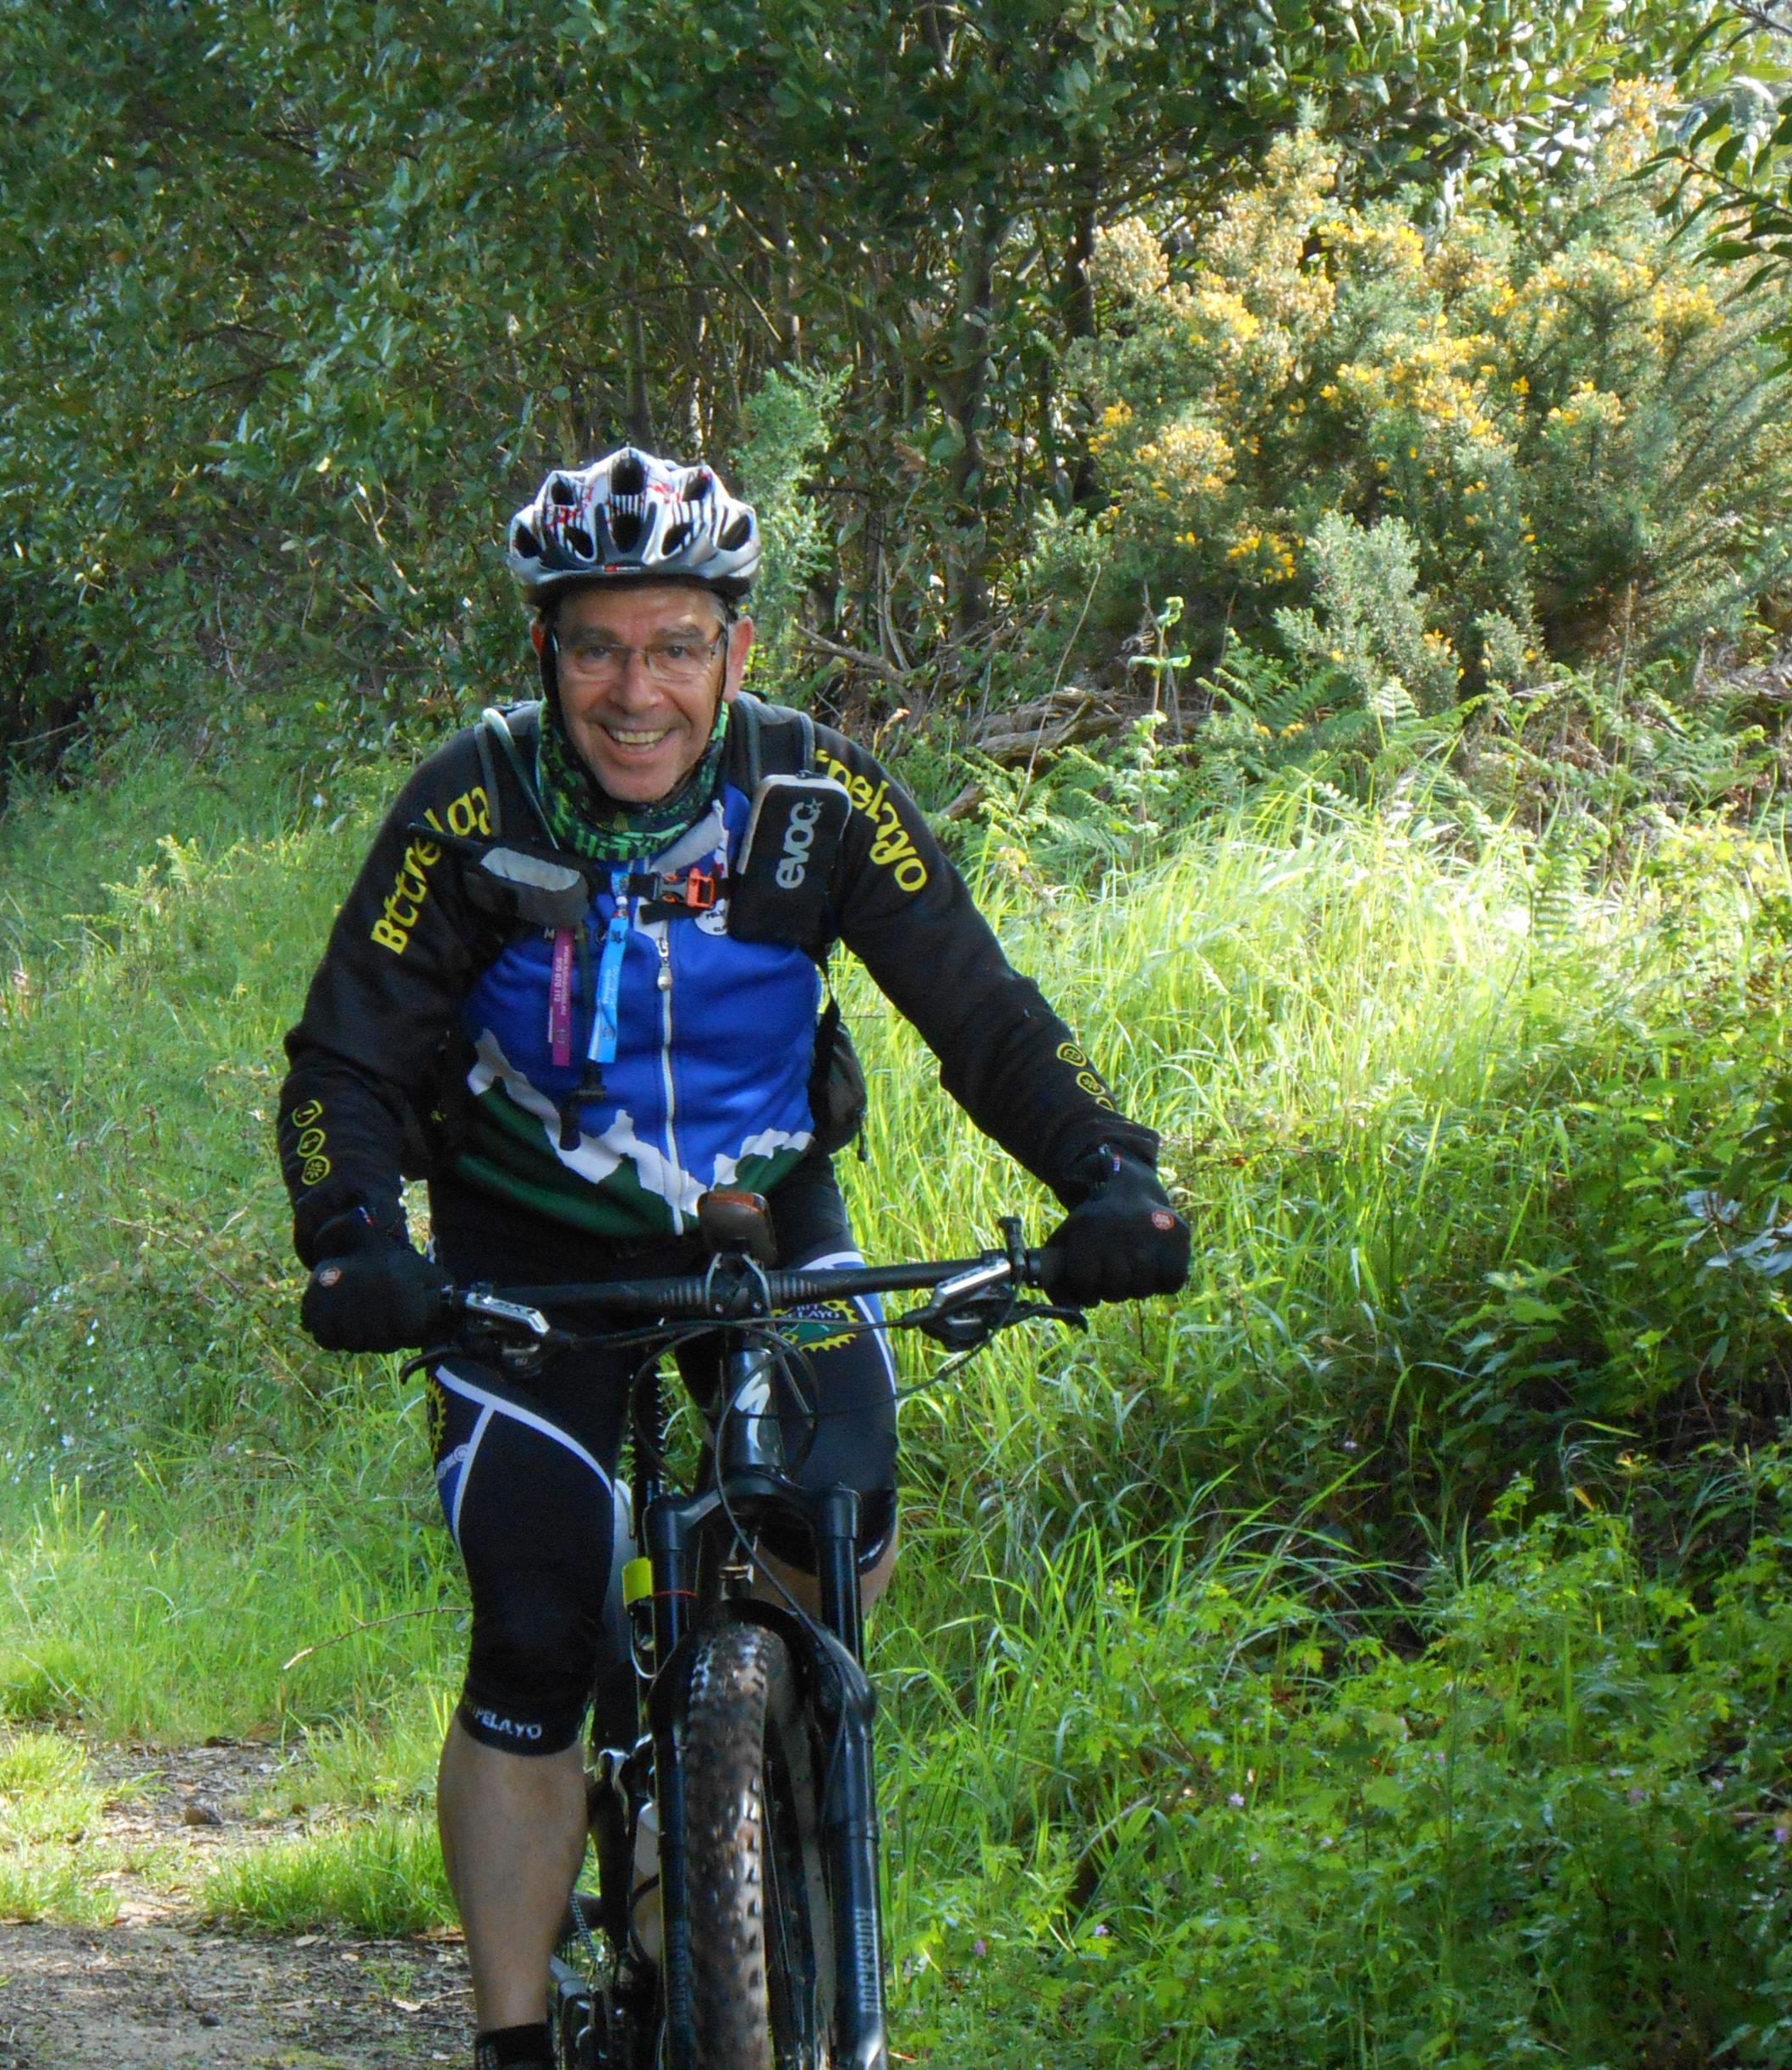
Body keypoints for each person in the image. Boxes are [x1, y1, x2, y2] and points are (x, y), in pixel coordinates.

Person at [276, 445, 1186, 2070]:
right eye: (599, 648)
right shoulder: (471, 806)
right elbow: (346, 1057)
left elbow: (980, 1011)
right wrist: (354, 1235)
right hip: (527, 1256)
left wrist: (1109, 1174)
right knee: (537, 1625)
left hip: (764, 1231)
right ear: (546, 651)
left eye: (677, 646)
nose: (639, 692)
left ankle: (723, 1799)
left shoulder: (816, 800)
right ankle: (514, 2041)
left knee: (839, 1516)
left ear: (735, 650)